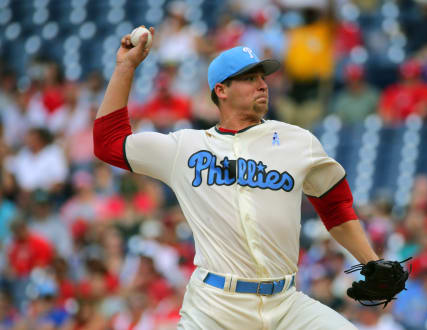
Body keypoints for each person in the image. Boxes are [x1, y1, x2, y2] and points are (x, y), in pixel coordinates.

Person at [93, 27, 379, 329]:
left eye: (262, 77)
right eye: (249, 78)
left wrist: (371, 261)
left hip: (286, 304)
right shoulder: (184, 148)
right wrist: (125, 67)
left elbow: (336, 209)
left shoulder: (298, 141)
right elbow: (107, 143)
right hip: (214, 306)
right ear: (221, 90)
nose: (262, 85)